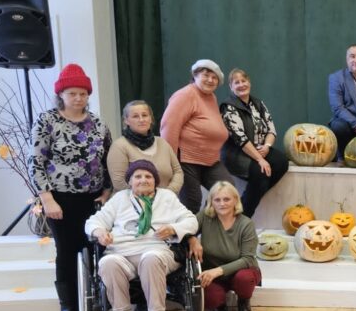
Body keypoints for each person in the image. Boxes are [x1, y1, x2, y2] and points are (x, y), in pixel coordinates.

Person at [31, 63, 111, 311]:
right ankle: (68, 306)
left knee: (94, 248)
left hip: (93, 198)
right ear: (61, 95)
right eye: (72, 93)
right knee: (66, 251)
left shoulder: (98, 123)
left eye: (83, 93)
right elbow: (36, 162)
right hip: (60, 200)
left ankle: (96, 301)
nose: (78, 98)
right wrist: (47, 199)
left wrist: (107, 190)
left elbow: (108, 159)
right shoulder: (47, 121)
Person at [85, 160, 198, 311]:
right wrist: (99, 232)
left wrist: (173, 228)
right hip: (122, 252)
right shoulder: (119, 199)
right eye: (137, 176)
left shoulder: (167, 197)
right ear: (130, 181)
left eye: (148, 176)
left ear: (155, 181)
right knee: (107, 262)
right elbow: (93, 221)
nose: (143, 180)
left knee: (150, 258)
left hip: (159, 251)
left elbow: (191, 220)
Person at [160, 59, 233, 213]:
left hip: (210, 160)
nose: (210, 80)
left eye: (214, 78)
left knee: (226, 192)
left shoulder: (211, 97)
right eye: (206, 75)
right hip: (186, 159)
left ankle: (208, 226)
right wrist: (171, 161)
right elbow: (169, 127)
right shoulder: (185, 95)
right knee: (191, 203)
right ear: (195, 75)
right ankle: (188, 229)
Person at [220, 68, 289, 217]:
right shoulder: (228, 107)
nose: (241, 85)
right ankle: (242, 217)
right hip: (237, 153)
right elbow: (240, 138)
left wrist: (267, 146)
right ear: (231, 87)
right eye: (236, 82)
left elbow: (271, 130)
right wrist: (260, 159)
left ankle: (247, 201)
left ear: (249, 83)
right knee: (260, 173)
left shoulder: (258, 103)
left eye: (243, 81)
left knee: (281, 162)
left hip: (259, 148)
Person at [188, 181, 260, 311]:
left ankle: (243, 302)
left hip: (240, 270)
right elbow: (185, 229)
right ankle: (220, 303)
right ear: (211, 202)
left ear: (235, 200)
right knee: (211, 300)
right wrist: (192, 238)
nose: (222, 204)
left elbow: (248, 259)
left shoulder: (246, 224)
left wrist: (218, 271)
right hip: (213, 274)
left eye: (227, 199)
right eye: (217, 200)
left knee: (244, 278)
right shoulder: (204, 217)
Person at [107, 100, 183, 193]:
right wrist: (148, 198)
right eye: (135, 116)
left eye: (144, 115)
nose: (141, 120)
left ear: (150, 119)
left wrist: (167, 194)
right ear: (126, 121)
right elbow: (119, 183)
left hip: (166, 199)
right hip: (131, 201)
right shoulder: (119, 146)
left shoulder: (162, 143)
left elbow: (178, 172)